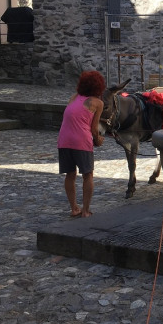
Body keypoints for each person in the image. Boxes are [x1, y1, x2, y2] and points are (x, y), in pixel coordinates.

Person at [57, 70, 106, 218]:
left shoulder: (74, 97)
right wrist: (98, 140)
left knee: (70, 174)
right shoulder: (97, 103)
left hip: (64, 140)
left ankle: (74, 208)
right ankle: (85, 210)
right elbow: (94, 128)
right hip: (81, 141)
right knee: (88, 174)